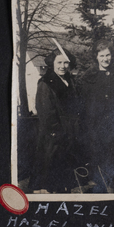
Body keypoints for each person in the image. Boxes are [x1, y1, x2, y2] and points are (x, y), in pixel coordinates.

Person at [79, 40, 114, 193]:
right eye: (102, 55)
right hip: (95, 127)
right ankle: (101, 189)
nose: (105, 59)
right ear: (96, 57)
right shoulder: (88, 78)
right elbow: (83, 105)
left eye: (108, 55)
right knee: (99, 159)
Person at [30, 48, 82, 193]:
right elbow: (45, 112)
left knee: (64, 177)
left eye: (66, 63)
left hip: (69, 134)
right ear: (52, 63)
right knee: (50, 174)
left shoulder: (70, 81)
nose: (63, 66)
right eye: (59, 62)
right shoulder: (46, 83)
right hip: (53, 136)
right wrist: (57, 133)